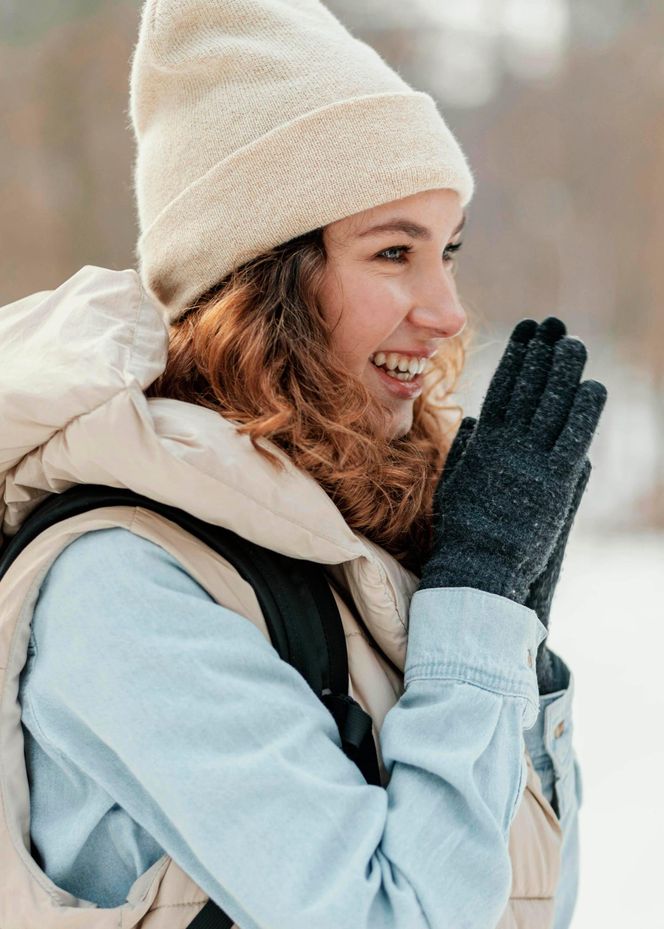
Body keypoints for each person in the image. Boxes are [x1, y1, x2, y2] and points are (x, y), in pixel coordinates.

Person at [0, 1, 606, 927]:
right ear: (263, 282)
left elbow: (519, 903)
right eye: (394, 251)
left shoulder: (341, 548)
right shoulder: (125, 583)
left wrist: (508, 642)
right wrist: (476, 612)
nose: (446, 309)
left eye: (447, 251)